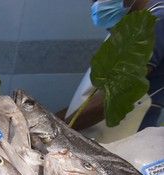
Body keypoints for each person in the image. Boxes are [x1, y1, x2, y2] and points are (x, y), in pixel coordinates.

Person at [67, 0, 164, 137]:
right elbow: (92, 96)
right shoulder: (131, 24)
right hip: (102, 135)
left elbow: (116, 96)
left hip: (129, 138)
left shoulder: (154, 20)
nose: (95, 5)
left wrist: (59, 129)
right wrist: (51, 120)